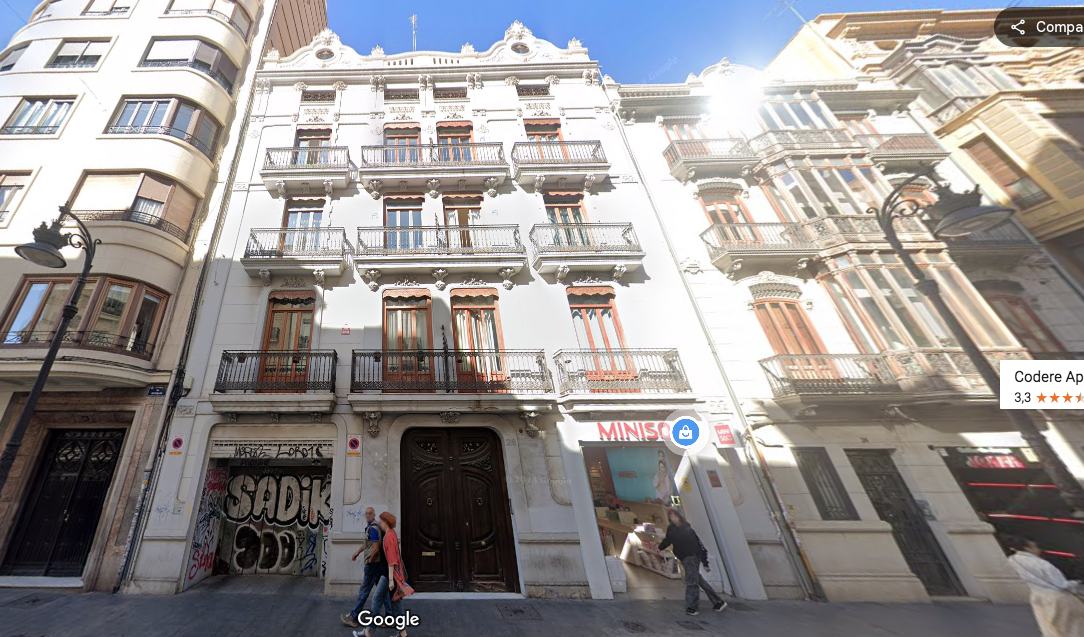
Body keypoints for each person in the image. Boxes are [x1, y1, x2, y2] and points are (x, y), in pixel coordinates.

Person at [1006, 536, 1084, 637]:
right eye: (1036, 547)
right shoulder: (1040, 563)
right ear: (1027, 548)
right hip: (1056, 597)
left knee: (1051, 628)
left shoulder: (1013, 560)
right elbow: (1062, 584)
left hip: (1037, 595)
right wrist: (1077, 583)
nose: (1039, 549)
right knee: (1072, 627)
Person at [658, 508, 727, 616]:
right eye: (671, 516)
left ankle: (692, 607)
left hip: (691, 557)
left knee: (691, 581)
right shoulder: (671, 529)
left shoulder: (687, 529)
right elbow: (668, 540)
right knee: (698, 579)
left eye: (675, 516)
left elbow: (699, 545)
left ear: (679, 516)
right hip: (684, 557)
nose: (673, 518)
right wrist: (660, 547)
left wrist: (705, 562)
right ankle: (718, 602)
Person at [360, 511, 413, 637]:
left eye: (381, 521)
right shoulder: (392, 533)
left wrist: (390, 580)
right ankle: (403, 633)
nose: (380, 523)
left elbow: (392, 561)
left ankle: (368, 632)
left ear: (386, 522)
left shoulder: (388, 537)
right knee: (395, 601)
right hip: (391, 575)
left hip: (388, 575)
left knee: (376, 599)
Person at [341, 507, 383, 628]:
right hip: (377, 564)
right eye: (366, 514)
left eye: (370, 513)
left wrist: (369, 562)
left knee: (364, 591)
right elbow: (367, 544)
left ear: (374, 515)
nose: (367, 515)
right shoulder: (372, 527)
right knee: (383, 592)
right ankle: (390, 616)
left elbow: (376, 548)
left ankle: (353, 617)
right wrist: (357, 552)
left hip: (373, 565)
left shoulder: (373, 528)